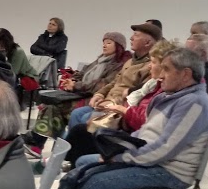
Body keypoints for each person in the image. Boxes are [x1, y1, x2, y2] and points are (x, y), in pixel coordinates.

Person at [32, 48, 208, 189]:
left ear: (185, 74)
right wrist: (118, 151)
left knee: (95, 181)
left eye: (166, 69)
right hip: (152, 161)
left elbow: (164, 149)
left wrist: (120, 158)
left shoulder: (194, 104)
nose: (160, 74)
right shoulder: (173, 96)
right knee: (84, 161)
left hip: (169, 171)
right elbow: (146, 135)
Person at [59, 39, 174, 167]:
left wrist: (120, 109)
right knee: (78, 122)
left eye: (153, 62)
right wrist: (101, 95)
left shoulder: (160, 90)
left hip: (130, 132)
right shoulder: (148, 80)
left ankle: (68, 164)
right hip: (118, 112)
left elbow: (144, 119)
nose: (149, 65)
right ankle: (64, 162)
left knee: (84, 125)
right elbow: (112, 84)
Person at [23, 31, 130, 155]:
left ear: (118, 46)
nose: (104, 45)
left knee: (56, 108)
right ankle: (40, 145)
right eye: (103, 42)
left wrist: (76, 86)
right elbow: (82, 73)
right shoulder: (99, 61)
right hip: (80, 95)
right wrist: (72, 80)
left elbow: (101, 85)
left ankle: (46, 146)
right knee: (51, 107)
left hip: (93, 100)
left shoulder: (118, 65)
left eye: (109, 42)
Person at [67, 23, 161, 132]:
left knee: (86, 118)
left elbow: (140, 95)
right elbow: (114, 82)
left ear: (148, 42)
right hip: (106, 102)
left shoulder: (151, 66)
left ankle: (86, 148)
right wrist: (100, 94)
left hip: (119, 108)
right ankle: (72, 147)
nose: (131, 38)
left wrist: (112, 103)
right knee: (76, 114)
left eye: (136, 35)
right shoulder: (130, 61)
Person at [186, 33, 208, 103]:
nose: (184, 54)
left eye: (188, 52)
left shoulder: (204, 74)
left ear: (203, 54)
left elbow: (200, 106)